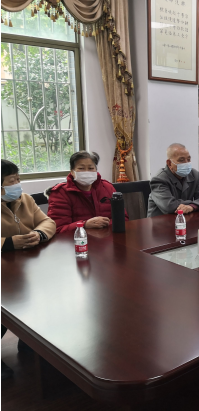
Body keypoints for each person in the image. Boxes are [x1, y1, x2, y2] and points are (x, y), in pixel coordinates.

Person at [1, 159, 57, 379]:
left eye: (18, 179)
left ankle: (28, 342)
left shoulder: (25, 199)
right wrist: (8, 243)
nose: (17, 184)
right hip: (3, 267)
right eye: (11, 180)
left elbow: (48, 222)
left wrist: (39, 234)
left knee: (38, 298)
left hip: (27, 264)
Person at [47, 151, 128, 233]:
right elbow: (57, 229)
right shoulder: (60, 193)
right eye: (81, 168)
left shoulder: (107, 187)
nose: (86, 172)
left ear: (96, 170)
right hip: (77, 239)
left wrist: (105, 224)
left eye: (91, 168)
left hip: (107, 238)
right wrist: (84, 224)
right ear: (72, 172)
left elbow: (123, 219)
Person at [148, 143, 199, 217]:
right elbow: (169, 206)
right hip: (161, 221)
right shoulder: (159, 179)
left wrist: (192, 206)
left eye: (188, 159)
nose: (186, 163)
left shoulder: (195, 174)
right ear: (169, 163)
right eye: (181, 160)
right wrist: (195, 202)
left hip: (184, 219)